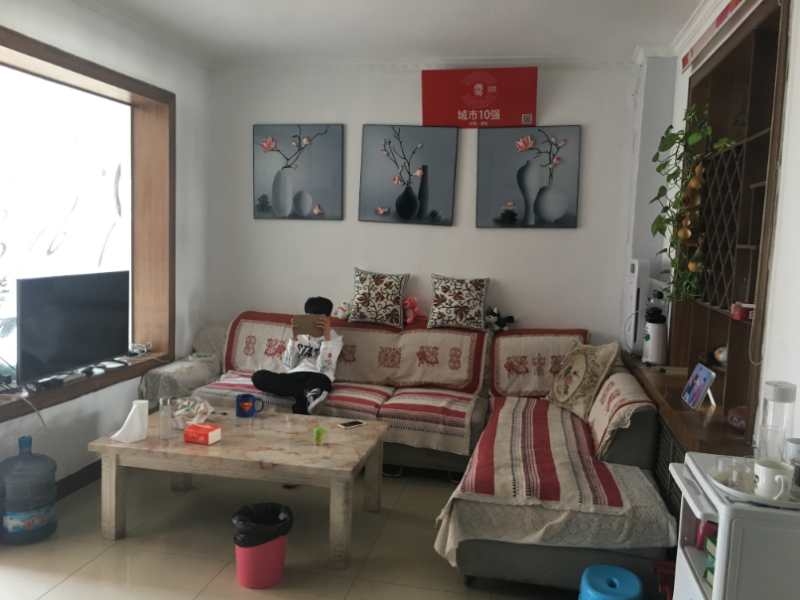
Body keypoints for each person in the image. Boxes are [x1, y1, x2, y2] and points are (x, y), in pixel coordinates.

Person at [251, 297, 343, 415]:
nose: (314, 323)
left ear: (327, 319)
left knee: (321, 381)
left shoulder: (335, 339)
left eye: (318, 319)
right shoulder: (300, 335)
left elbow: (324, 368)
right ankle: (309, 396)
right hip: (295, 377)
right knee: (259, 376)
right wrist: (294, 339)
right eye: (310, 318)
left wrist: (326, 338)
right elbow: (289, 365)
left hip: (318, 376)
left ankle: (309, 396)